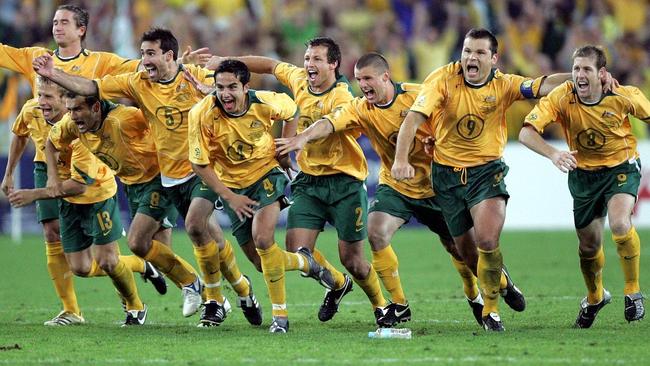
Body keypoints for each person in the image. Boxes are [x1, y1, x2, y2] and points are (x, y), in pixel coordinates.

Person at [31, 28, 258, 327]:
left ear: (169, 56)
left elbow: (234, 96)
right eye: (142, 54)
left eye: (150, 54)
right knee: (202, 237)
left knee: (196, 227)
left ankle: (213, 299)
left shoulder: (193, 76)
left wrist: (213, 94)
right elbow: (91, 86)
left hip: (203, 167)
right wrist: (54, 73)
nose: (144, 60)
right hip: (169, 175)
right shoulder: (137, 83)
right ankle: (241, 290)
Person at [275, 52, 484, 327]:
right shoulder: (359, 106)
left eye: (367, 78)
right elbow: (329, 122)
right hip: (394, 185)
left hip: (436, 186)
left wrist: (440, 140)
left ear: (385, 76)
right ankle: (395, 304)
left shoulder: (416, 95)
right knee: (375, 232)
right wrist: (301, 137)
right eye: (359, 79)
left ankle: (479, 295)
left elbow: (452, 115)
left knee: (459, 249)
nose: (362, 85)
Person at [390, 28, 575, 331]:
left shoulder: (504, 84)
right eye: (466, 51)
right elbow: (413, 119)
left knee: (488, 240)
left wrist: (580, 75)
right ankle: (502, 280)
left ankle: (491, 311)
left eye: (478, 53)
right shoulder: (442, 79)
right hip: (446, 177)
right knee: (467, 252)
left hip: (486, 172)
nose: (470, 58)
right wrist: (401, 159)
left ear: (493, 58)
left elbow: (542, 86)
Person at [210, 37, 389, 325]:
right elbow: (269, 65)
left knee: (353, 259)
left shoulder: (343, 96)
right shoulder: (298, 78)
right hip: (309, 182)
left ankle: (381, 306)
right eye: (307, 58)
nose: (308, 64)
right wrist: (227, 62)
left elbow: (327, 125)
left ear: (333, 64)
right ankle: (338, 284)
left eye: (317, 59)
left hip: (345, 182)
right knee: (297, 252)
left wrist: (300, 138)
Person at [188, 59, 336, 333]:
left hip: (265, 174)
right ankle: (308, 263)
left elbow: (292, 110)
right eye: (220, 87)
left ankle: (280, 317)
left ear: (246, 86)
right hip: (231, 183)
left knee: (263, 238)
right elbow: (199, 163)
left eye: (232, 86)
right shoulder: (201, 113)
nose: (225, 94)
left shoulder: (266, 101)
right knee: (260, 263)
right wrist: (230, 197)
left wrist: (285, 150)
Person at [519, 45, 648, 328]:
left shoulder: (623, 96)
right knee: (588, 247)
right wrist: (553, 154)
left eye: (586, 69)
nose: (579, 74)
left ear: (601, 74)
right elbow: (526, 133)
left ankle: (632, 290)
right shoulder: (562, 96)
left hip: (621, 168)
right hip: (584, 175)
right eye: (576, 68)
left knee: (619, 223)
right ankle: (595, 297)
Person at [50, 89, 209, 319]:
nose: (72, 115)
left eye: (77, 109)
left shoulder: (125, 117)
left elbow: (160, 120)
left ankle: (198, 288)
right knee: (157, 252)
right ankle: (212, 297)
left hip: (159, 179)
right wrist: (53, 177)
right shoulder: (71, 124)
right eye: (70, 109)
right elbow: (50, 142)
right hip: (132, 185)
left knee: (136, 241)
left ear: (95, 107)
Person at [7, 78, 150, 326]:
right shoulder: (32, 110)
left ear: (66, 100)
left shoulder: (83, 129)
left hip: (95, 192)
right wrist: (13, 174)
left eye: (48, 97)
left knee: (107, 260)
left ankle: (135, 305)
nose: (41, 102)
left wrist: (33, 194)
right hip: (57, 183)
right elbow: (27, 137)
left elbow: (79, 184)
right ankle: (72, 310)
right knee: (79, 266)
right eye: (39, 95)